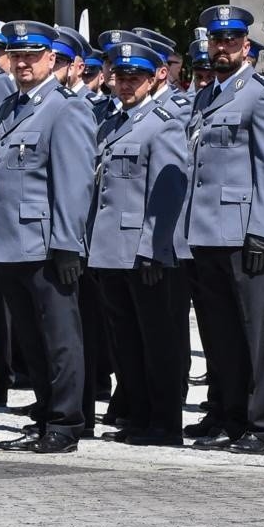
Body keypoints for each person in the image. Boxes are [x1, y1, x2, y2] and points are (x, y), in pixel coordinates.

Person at [182, 4, 264, 456]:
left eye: (230, 40)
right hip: (206, 232)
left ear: (246, 45)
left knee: (256, 334)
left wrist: (261, 230)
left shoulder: (263, 95)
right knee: (219, 333)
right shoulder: (207, 96)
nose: (221, 47)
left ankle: (263, 424)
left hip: (245, 231)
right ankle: (228, 414)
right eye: (215, 40)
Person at [0, 22, 97, 455]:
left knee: (60, 336)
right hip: (10, 242)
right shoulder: (11, 106)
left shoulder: (64, 108)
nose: (23, 62)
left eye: (33, 54)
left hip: (46, 242)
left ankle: (66, 422)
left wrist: (69, 242)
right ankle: (45, 414)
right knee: (31, 339)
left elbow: (73, 182)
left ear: (52, 59)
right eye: (17, 55)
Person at [86, 40, 191, 447]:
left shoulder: (163, 122)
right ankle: (140, 415)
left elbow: (166, 194)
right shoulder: (113, 123)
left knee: (158, 341)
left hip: (143, 250)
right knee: (126, 342)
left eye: (135, 78)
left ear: (153, 79)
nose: (126, 85)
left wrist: (153, 247)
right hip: (110, 247)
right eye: (121, 78)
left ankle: (165, 423)